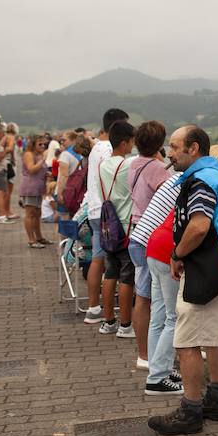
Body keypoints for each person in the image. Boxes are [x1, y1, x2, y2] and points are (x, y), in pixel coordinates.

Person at [147, 125, 218, 435]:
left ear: (194, 148)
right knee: (214, 338)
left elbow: (199, 226)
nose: (169, 153)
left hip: (205, 272)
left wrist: (177, 254)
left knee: (186, 341)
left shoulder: (200, 180)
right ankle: (216, 399)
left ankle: (190, 410)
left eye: (174, 147)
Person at [127, 121, 172, 369]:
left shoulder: (134, 164)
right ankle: (152, 356)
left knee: (142, 296)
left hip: (136, 230)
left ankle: (143, 353)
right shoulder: (156, 168)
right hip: (152, 236)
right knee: (157, 298)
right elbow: (173, 193)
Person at [133, 173, 184, 395]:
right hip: (165, 252)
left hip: (152, 244)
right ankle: (157, 378)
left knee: (159, 315)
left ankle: (157, 369)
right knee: (173, 317)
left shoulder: (184, 180)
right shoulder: (202, 186)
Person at [81, 109, 129, 325]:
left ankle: (95, 307)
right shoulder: (108, 149)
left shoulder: (95, 149)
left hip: (96, 208)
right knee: (103, 263)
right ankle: (95, 309)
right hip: (108, 213)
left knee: (100, 260)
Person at [97, 120, 137, 338]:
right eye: (131, 141)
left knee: (110, 273)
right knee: (127, 277)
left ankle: (108, 320)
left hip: (108, 229)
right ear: (124, 143)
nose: (133, 145)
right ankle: (125, 325)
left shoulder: (103, 164)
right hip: (125, 228)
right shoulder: (128, 164)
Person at [19, 136, 52, 248]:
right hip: (30, 188)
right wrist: (43, 160)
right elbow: (31, 169)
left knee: (37, 213)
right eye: (40, 144)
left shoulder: (39, 155)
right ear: (33, 145)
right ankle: (31, 240)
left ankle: (39, 237)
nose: (43, 146)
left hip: (38, 188)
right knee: (30, 214)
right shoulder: (29, 154)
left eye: (44, 144)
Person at [55, 130, 81, 219]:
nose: (62, 142)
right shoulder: (81, 154)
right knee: (74, 219)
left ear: (73, 140)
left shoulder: (65, 155)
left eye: (64, 140)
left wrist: (59, 193)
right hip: (76, 191)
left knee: (64, 220)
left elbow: (64, 175)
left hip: (65, 191)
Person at [4, 123, 21, 220]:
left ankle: (4, 211)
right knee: (8, 191)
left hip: (5, 164)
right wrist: (14, 161)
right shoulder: (12, 138)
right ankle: (7, 211)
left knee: (4, 191)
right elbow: (11, 151)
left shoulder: (5, 137)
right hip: (10, 165)